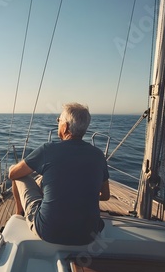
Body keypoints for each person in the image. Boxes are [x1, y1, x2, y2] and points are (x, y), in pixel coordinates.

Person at [9, 103, 110, 245]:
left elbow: (13, 174)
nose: (58, 124)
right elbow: (105, 196)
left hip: (48, 231)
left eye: (59, 120)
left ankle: (20, 214)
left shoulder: (47, 149)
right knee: (42, 181)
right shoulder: (98, 155)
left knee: (16, 172)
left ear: (66, 127)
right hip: (88, 235)